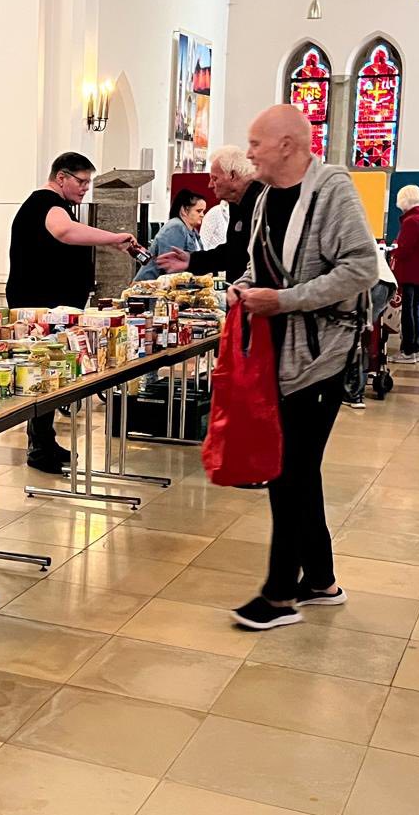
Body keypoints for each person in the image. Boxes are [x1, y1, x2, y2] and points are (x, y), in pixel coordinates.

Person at [157, 105, 376, 631]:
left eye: (256, 143)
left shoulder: (333, 192)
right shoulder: (263, 201)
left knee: (289, 468)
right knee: (299, 467)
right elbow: (258, 261)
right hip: (281, 350)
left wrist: (284, 300)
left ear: (287, 145)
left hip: (324, 351)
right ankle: (320, 580)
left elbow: (362, 267)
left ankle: (279, 595)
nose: (248, 151)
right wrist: (243, 287)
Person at [6, 151, 137, 472]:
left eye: (89, 182)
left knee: (50, 375)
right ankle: (39, 449)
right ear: (61, 177)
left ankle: (44, 440)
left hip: (49, 306)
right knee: (44, 374)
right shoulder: (45, 203)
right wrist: (113, 239)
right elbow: (65, 232)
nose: (85, 189)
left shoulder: (56, 206)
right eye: (81, 181)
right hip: (39, 309)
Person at [198, 145, 262, 282]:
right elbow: (234, 252)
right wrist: (190, 260)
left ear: (232, 176)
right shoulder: (235, 202)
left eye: (214, 179)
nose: (210, 185)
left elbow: (252, 257)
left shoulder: (262, 201)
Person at [391, 185, 419, 363]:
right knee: (414, 310)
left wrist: (393, 251)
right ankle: (416, 348)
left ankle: (408, 350)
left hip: (408, 270)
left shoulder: (411, 221)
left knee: (407, 311)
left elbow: (404, 250)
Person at [135, 190, 206, 282]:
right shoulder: (175, 227)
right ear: (184, 210)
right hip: (151, 288)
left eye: (203, 211)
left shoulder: (193, 231)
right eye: (198, 211)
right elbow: (170, 268)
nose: (202, 215)